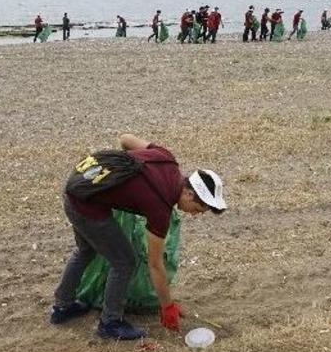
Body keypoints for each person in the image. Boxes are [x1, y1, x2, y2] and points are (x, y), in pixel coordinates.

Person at [50, 134, 227, 340]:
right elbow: (155, 264)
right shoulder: (160, 208)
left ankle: (62, 307)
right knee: (124, 261)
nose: (194, 215)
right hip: (86, 206)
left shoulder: (166, 158)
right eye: (197, 209)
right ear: (188, 193)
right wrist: (167, 306)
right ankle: (110, 323)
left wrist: (123, 183)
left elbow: (125, 139)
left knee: (86, 250)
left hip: (77, 187)